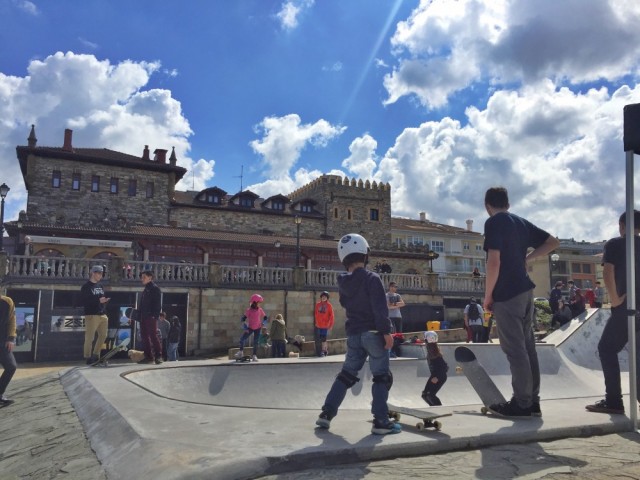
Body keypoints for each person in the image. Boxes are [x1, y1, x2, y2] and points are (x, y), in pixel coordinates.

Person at [483, 187, 559, 418]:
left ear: (487, 206)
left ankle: (522, 403)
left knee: (515, 351)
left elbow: (493, 262)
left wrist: (488, 296)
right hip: (526, 292)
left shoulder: (494, 222)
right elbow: (553, 242)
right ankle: (532, 402)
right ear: (508, 203)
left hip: (507, 294)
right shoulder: (520, 222)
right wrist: (527, 258)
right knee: (528, 349)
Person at [316, 233, 401, 435]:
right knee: (381, 376)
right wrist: (387, 332)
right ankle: (380, 421)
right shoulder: (373, 278)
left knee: (346, 375)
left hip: (353, 334)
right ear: (365, 254)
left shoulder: (343, 282)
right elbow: (379, 308)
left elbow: (346, 304)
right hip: (373, 333)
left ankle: (326, 414)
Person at [586, 210, 640, 415]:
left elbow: (608, 271)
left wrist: (615, 299)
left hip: (626, 307)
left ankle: (614, 401)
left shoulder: (615, 244)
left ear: (621, 226)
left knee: (607, 349)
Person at [80, 265, 109, 365]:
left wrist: (104, 301)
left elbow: (101, 298)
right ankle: (88, 357)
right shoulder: (86, 286)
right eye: (99, 273)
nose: (100, 275)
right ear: (93, 273)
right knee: (90, 337)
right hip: (91, 314)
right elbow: (84, 301)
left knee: (103, 335)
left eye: (101, 274)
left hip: (102, 314)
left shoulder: (100, 286)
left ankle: (96, 355)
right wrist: (98, 300)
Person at [138, 269, 163, 364]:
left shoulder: (155, 288)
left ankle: (159, 356)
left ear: (150, 277)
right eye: (142, 277)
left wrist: (154, 316)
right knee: (144, 336)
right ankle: (148, 356)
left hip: (151, 316)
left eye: (144, 277)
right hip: (143, 316)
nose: (142, 279)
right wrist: (139, 314)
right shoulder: (146, 289)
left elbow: (157, 304)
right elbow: (142, 304)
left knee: (153, 336)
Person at [235, 294, 268, 362]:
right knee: (242, 339)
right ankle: (241, 352)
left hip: (258, 328)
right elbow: (243, 319)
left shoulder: (260, 310)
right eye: (259, 302)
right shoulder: (249, 310)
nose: (260, 304)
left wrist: (263, 323)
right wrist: (245, 327)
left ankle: (254, 356)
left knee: (256, 342)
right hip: (250, 328)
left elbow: (265, 317)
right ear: (255, 302)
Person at [421, 331, 448, 406]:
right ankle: (433, 408)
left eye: (425, 340)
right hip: (435, 375)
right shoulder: (431, 349)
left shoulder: (435, 352)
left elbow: (444, 367)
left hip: (440, 376)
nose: (424, 342)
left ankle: (440, 409)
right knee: (424, 395)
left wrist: (437, 377)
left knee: (430, 395)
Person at [0, 295, 17, 407]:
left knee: (11, 366)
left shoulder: (7, 302)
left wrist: (11, 338)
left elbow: (12, 320)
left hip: (2, 341)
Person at [314, 291, 335, 357]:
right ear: (321, 297)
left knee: (323, 338)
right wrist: (316, 322)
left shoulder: (329, 306)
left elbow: (331, 316)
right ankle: (325, 350)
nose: (324, 298)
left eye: (325, 297)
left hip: (325, 325)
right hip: (318, 325)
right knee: (320, 338)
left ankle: (323, 351)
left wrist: (331, 325)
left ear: (327, 298)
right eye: (323, 297)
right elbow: (316, 314)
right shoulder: (317, 304)